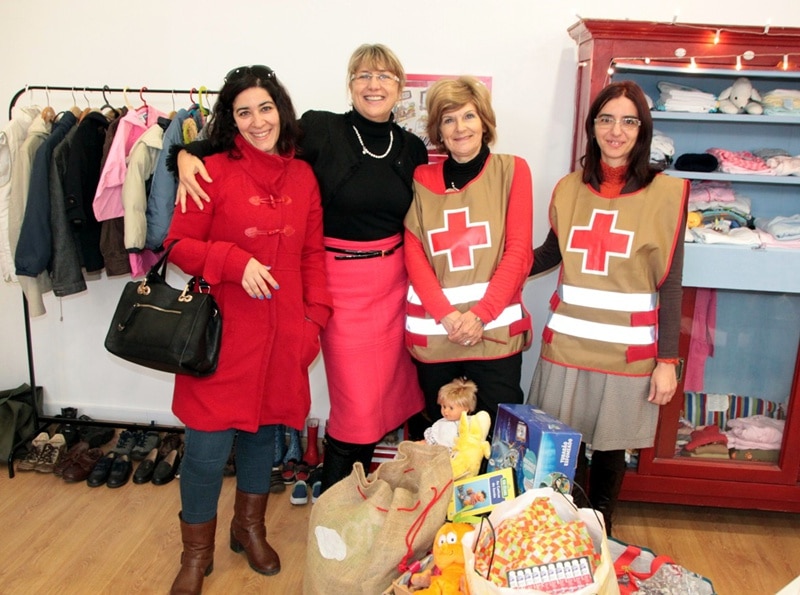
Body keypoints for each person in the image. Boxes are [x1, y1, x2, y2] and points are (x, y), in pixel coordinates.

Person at [174, 45, 428, 493]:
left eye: (384, 76)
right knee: (357, 406)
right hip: (341, 282)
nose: (374, 85)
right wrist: (183, 152)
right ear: (350, 84)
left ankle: (366, 501)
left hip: (394, 286)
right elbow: (255, 138)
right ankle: (335, 504)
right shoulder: (322, 129)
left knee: (395, 395)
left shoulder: (412, 148)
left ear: (400, 87)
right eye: (363, 75)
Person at [164, 65, 332, 593]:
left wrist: (314, 321)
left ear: (281, 110)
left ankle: (249, 528)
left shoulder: (303, 176)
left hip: (284, 333)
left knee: (264, 437)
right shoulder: (208, 170)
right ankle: (196, 555)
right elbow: (177, 246)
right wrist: (234, 262)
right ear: (230, 119)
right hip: (221, 337)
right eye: (244, 112)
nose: (258, 121)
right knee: (206, 453)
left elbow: (312, 254)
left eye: (265, 108)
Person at [527, 80, 688, 535]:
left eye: (628, 121)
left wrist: (667, 362)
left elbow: (670, 285)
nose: (616, 131)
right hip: (568, 346)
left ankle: (600, 530)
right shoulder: (569, 189)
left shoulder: (666, 194)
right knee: (565, 445)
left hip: (626, 353)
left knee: (611, 447)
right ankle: (563, 529)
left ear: (642, 130)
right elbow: (551, 253)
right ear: (592, 126)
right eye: (606, 119)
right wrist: (496, 264)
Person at [404, 76, 534, 437]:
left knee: (497, 440)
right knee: (437, 439)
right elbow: (413, 252)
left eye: (468, 116)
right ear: (438, 130)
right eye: (449, 119)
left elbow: (518, 251)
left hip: (493, 334)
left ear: (484, 122)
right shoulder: (420, 178)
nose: (460, 127)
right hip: (436, 333)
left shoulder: (512, 170)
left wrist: (480, 316)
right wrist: (447, 316)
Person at [424, 377, 478, 450]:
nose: (445, 411)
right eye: (444, 406)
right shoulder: (441, 423)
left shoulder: (468, 424)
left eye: (451, 408)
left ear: (465, 409)